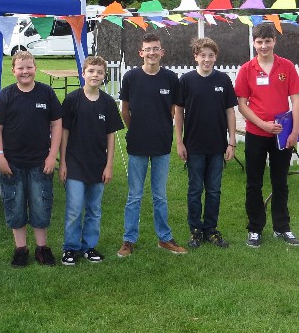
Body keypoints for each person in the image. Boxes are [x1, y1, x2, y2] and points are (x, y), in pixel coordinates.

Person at [117, 33, 187, 257]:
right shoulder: (131, 77)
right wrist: (136, 129)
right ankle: (129, 240)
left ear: (162, 52)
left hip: (161, 144)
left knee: (160, 195)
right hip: (137, 143)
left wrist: (164, 129)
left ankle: (164, 238)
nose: (152, 53)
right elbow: (125, 111)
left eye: (156, 48)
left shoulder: (170, 78)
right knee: (134, 196)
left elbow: (174, 110)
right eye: (148, 49)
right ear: (141, 53)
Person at [234, 23, 299, 248]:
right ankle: (255, 229)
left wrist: (294, 131)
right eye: (259, 42)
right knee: (254, 183)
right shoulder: (246, 69)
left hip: (282, 136)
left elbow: (295, 100)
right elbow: (242, 105)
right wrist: (263, 124)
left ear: (275, 41)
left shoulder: (287, 67)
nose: (264, 45)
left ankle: (282, 228)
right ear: (254, 43)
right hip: (256, 133)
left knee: (280, 182)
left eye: (268, 41)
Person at [0, 51, 62, 267]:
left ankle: (42, 248)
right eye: (20, 68)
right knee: (15, 204)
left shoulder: (46, 93)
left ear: (35, 68)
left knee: (41, 204)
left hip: (41, 162)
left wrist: (52, 155)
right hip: (12, 163)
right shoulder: (6, 95)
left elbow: (57, 124)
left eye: (29, 67)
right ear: (13, 70)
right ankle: (21, 249)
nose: (25, 71)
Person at [59, 56, 124, 266]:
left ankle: (88, 246)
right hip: (75, 163)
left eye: (99, 72)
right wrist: (63, 163)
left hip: (98, 164)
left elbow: (111, 136)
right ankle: (70, 248)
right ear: (83, 73)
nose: (95, 75)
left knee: (94, 209)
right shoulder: (72, 100)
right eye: (91, 71)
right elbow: (64, 132)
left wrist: (109, 165)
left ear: (104, 76)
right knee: (75, 208)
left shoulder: (107, 102)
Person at [174, 38, 237, 249]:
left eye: (211, 55)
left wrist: (232, 142)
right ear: (195, 57)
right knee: (194, 190)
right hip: (194, 146)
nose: (207, 59)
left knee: (214, 190)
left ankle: (211, 229)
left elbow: (230, 111)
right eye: (203, 55)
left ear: (215, 57)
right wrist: (179, 141)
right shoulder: (186, 81)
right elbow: (179, 112)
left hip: (217, 146)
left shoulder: (223, 80)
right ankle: (195, 230)